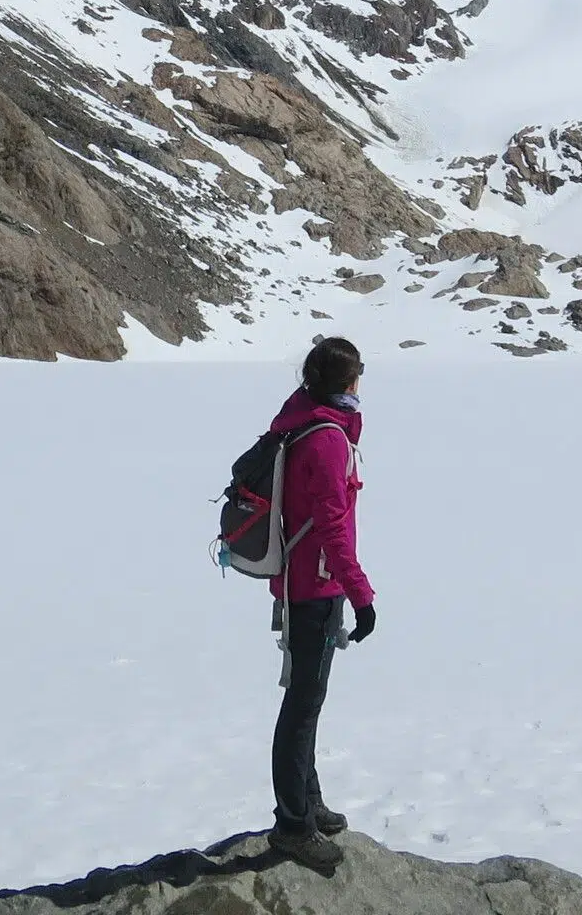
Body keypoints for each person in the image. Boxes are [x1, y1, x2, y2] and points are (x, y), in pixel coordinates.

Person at [266, 336, 376, 866]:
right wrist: (362, 596)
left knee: (308, 700)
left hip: (305, 578)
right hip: (315, 585)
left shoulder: (301, 416)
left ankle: (307, 802)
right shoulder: (327, 440)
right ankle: (292, 825)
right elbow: (333, 525)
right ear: (348, 383)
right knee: (303, 706)